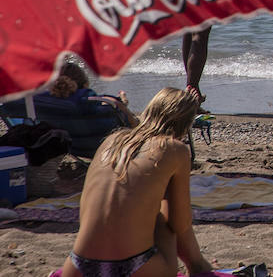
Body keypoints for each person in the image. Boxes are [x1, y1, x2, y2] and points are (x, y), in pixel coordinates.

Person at [60, 87, 213, 277]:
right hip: (134, 266)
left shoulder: (112, 140)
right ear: (186, 123)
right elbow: (179, 223)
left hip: (78, 266)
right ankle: (197, 267)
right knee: (163, 221)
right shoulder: (175, 149)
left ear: (149, 110)